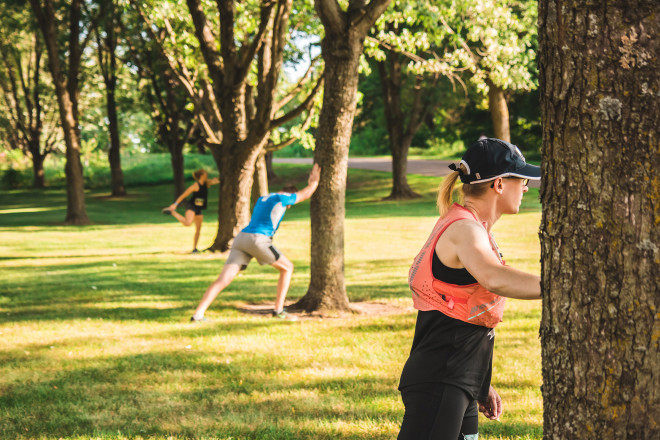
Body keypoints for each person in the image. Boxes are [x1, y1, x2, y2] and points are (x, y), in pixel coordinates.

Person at [397, 138, 542, 440]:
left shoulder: (470, 226)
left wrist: (480, 381)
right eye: (522, 180)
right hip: (441, 378)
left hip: (459, 378)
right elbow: (494, 277)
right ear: (499, 184)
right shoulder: (464, 229)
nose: (526, 188)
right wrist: (561, 286)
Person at [190, 163, 321, 322]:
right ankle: (278, 310)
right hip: (258, 239)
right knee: (287, 268)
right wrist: (313, 182)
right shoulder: (282, 198)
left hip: (241, 238)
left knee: (223, 279)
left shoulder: (263, 198)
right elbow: (304, 194)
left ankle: (198, 314)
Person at [162, 169, 219, 254]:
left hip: (199, 208)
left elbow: (215, 181)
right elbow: (184, 195)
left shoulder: (206, 183)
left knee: (198, 229)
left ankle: (195, 248)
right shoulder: (195, 185)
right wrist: (175, 204)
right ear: (201, 175)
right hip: (191, 206)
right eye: (205, 173)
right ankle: (173, 212)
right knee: (188, 223)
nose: (206, 174)